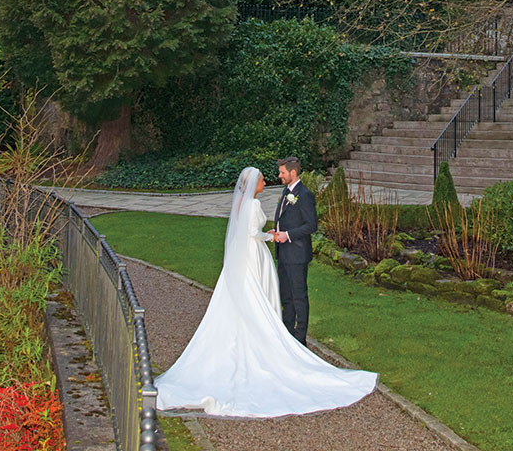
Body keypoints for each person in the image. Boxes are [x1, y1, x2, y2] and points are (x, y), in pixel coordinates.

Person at [154, 166, 376, 418]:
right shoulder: (253, 205)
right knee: (257, 295)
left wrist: (272, 235)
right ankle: (269, 340)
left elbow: (246, 231)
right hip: (254, 254)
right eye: (261, 179)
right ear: (252, 183)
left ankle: (270, 335)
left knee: (244, 299)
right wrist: (271, 237)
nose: (267, 180)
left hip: (243, 257)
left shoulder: (243, 203)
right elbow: (252, 233)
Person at [270, 156, 316, 343]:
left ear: (293, 172)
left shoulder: (304, 195)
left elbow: (311, 225)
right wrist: (277, 231)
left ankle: (300, 339)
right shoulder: (285, 191)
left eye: (282, 172)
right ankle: (287, 336)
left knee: (299, 297)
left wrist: (287, 235)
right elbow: (285, 218)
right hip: (284, 254)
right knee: (286, 297)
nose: (279, 175)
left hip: (297, 255)